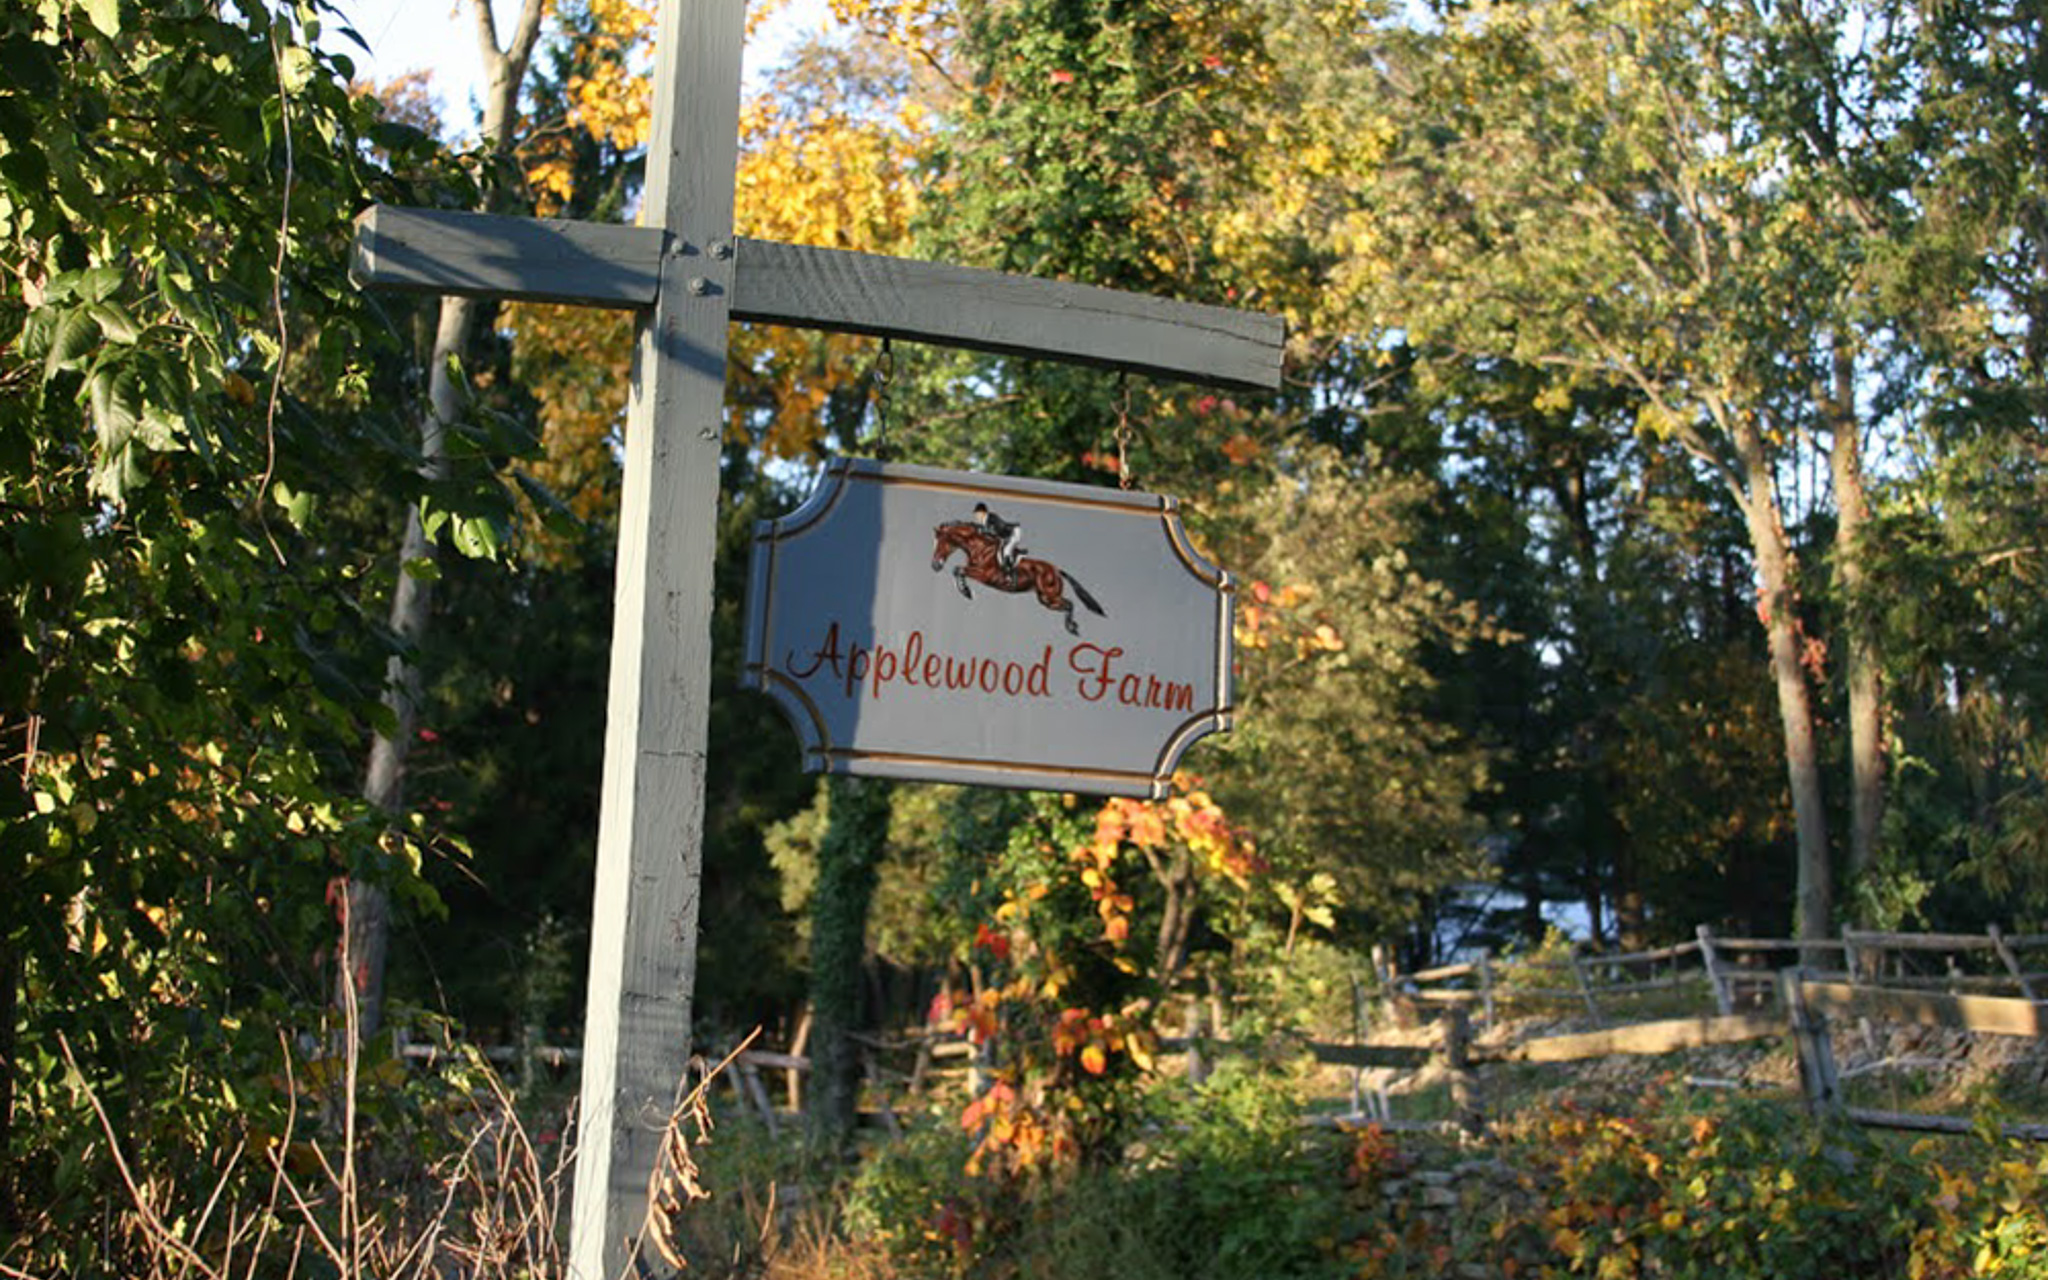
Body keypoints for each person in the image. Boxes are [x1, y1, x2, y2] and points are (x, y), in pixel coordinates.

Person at [971, 502, 1024, 580]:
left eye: (977, 514)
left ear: (982, 512)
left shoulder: (992, 518)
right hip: (1005, 536)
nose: (976, 516)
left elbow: (996, 529)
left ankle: (1011, 574)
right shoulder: (984, 521)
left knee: (1006, 550)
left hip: (1014, 533)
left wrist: (983, 530)